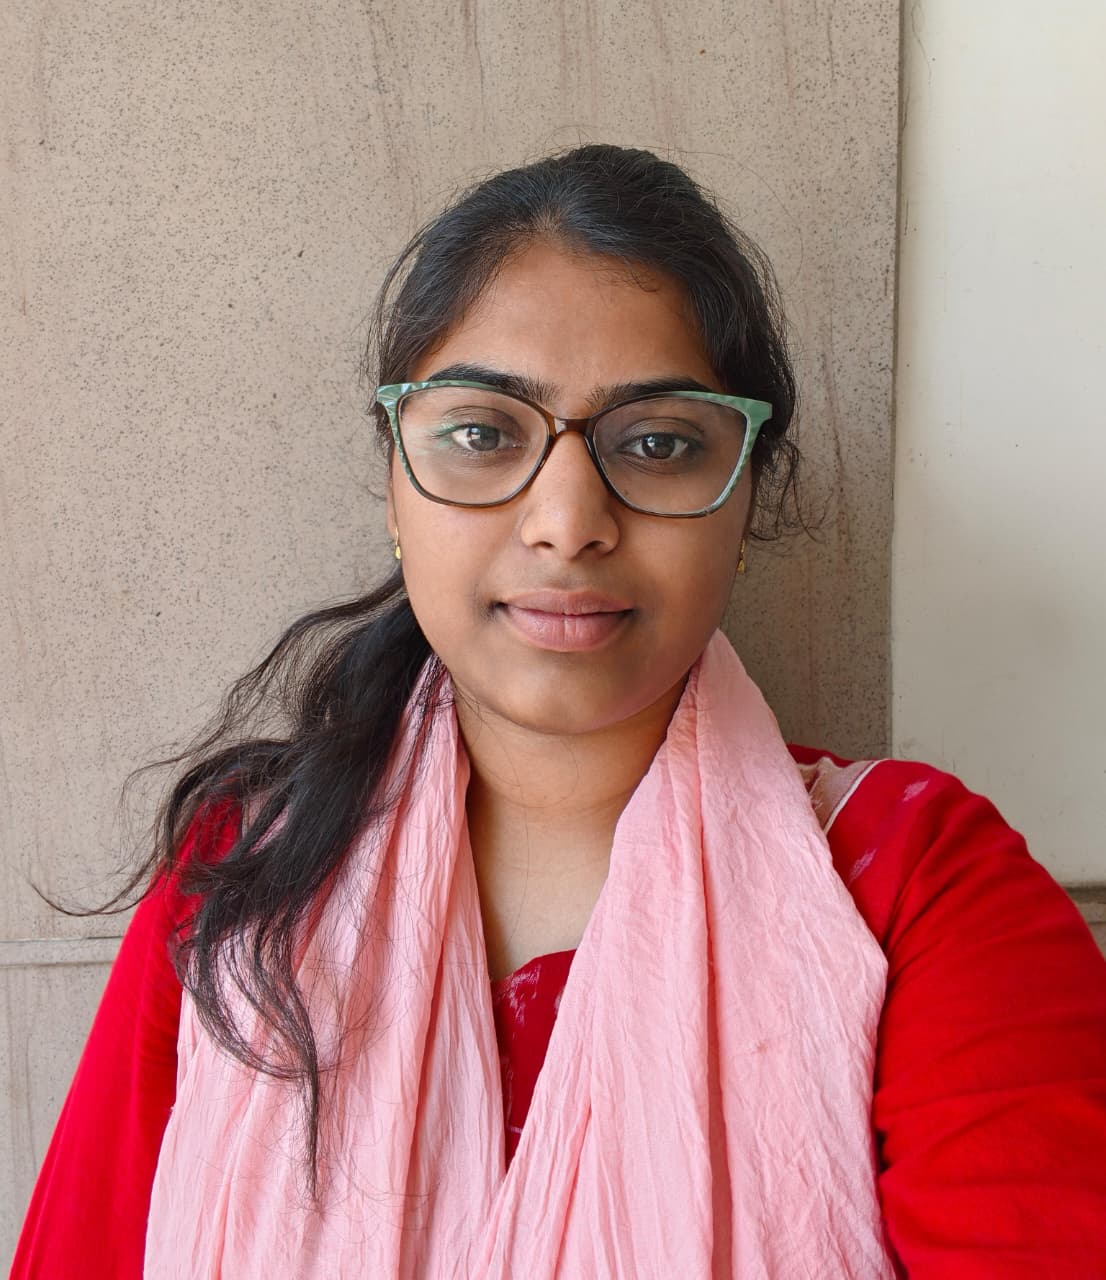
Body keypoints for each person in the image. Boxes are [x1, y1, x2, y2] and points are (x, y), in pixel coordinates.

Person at [11, 145, 1106, 1279]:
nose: (567, 522)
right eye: (484, 432)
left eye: (659, 442)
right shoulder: (243, 882)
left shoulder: (915, 888)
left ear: (746, 496)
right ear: (394, 489)